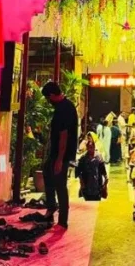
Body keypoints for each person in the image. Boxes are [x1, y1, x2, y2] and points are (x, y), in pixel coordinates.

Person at [40, 81, 78, 231]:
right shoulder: (64, 106)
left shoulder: (64, 109)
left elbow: (64, 136)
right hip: (56, 152)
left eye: (48, 99)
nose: (48, 102)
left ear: (51, 96)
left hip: (61, 153)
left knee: (60, 185)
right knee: (47, 172)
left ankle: (63, 221)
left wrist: (60, 160)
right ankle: (51, 207)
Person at [76, 135, 108, 201]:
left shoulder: (99, 158)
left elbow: (104, 172)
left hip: (97, 187)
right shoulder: (83, 158)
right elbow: (78, 171)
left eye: (92, 147)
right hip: (86, 187)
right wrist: (81, 181)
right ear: (87, 148)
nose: (91, 149)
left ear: (94, 147)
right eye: (89, 147)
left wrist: (105, 184)